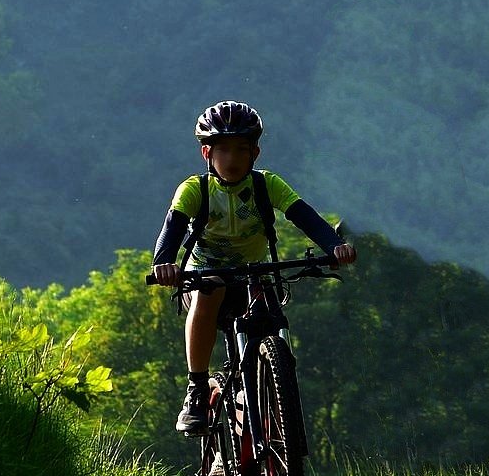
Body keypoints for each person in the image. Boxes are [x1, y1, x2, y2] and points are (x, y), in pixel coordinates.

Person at [150, 100, 357, 434]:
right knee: (212, 287)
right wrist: (164, 264)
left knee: (269, 317)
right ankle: (198, 389)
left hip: (253, 276)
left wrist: (334, 246)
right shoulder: (195, 190)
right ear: (207, 154)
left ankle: (273, 389)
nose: (232, 158)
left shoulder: (266, 185)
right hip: (205, 276)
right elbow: (172, 229)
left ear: (255, 154)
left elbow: (304, 216)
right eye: (224, 150)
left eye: (241, 150)